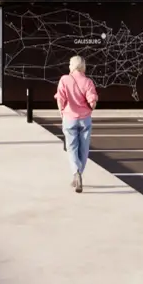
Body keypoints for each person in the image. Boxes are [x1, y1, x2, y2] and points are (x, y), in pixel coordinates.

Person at [55, 55, 99, 194]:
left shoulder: (64, 79)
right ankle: (79, 172)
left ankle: (76, 173)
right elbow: (92, 101)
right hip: (85, 118)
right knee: (84, 148)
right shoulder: (88, 82)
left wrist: (61, 112)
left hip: (69, 118)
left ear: (72, 66)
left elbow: (60, 99)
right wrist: (89, 109)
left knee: (72, 147)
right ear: (83, 66)